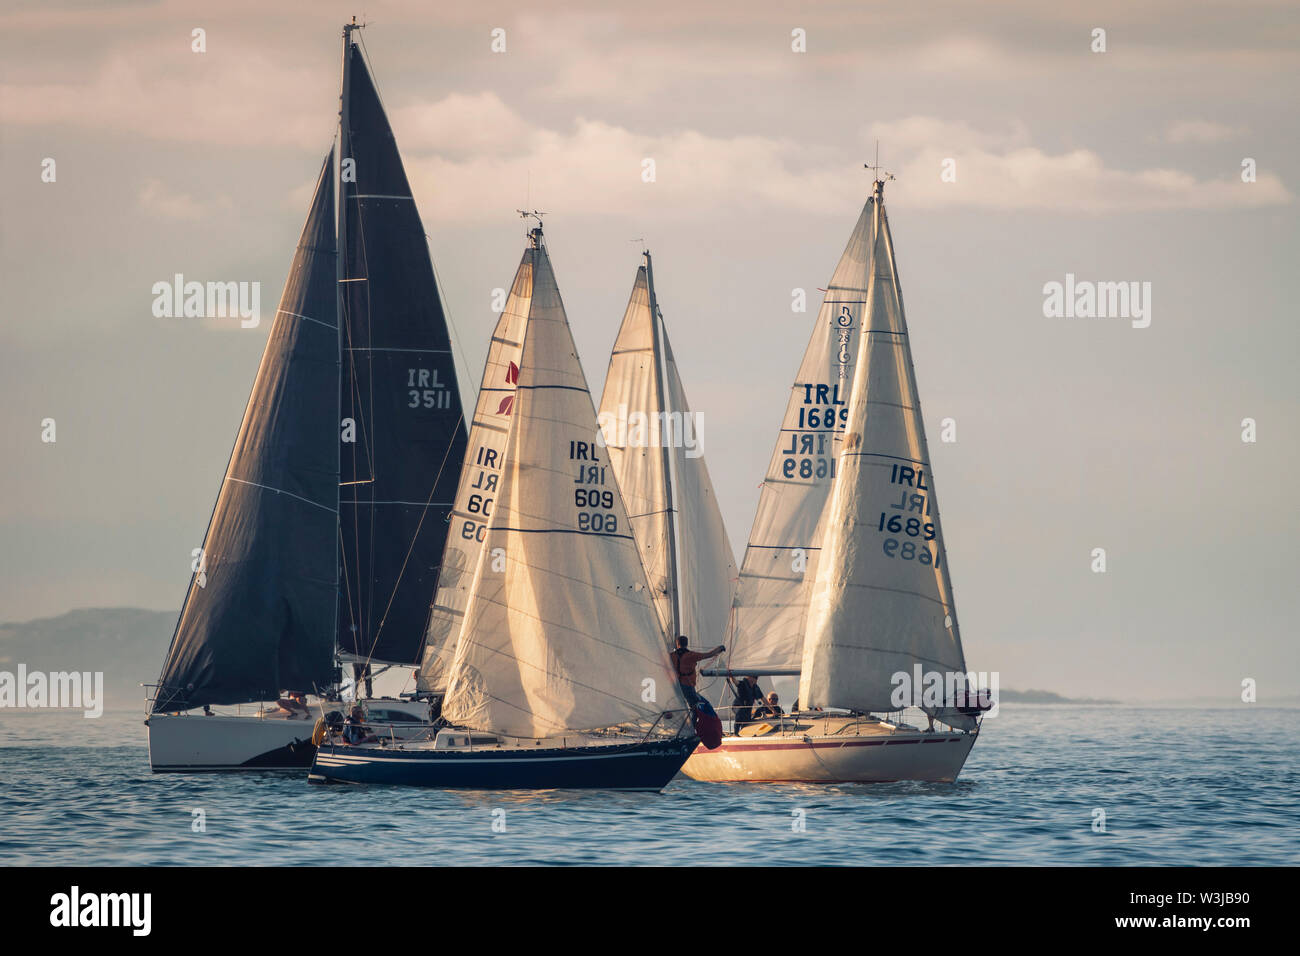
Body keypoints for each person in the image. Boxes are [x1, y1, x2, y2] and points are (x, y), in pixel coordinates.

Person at [669, 636, 724, 707]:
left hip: (675, 685)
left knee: (680, 705)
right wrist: (719, 649)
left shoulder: (671, 656)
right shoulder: (691, 655)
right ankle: (694, 718)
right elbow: (708, 655)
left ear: (677, 644)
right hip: (687, 685)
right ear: (686, 644)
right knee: (696, 706)